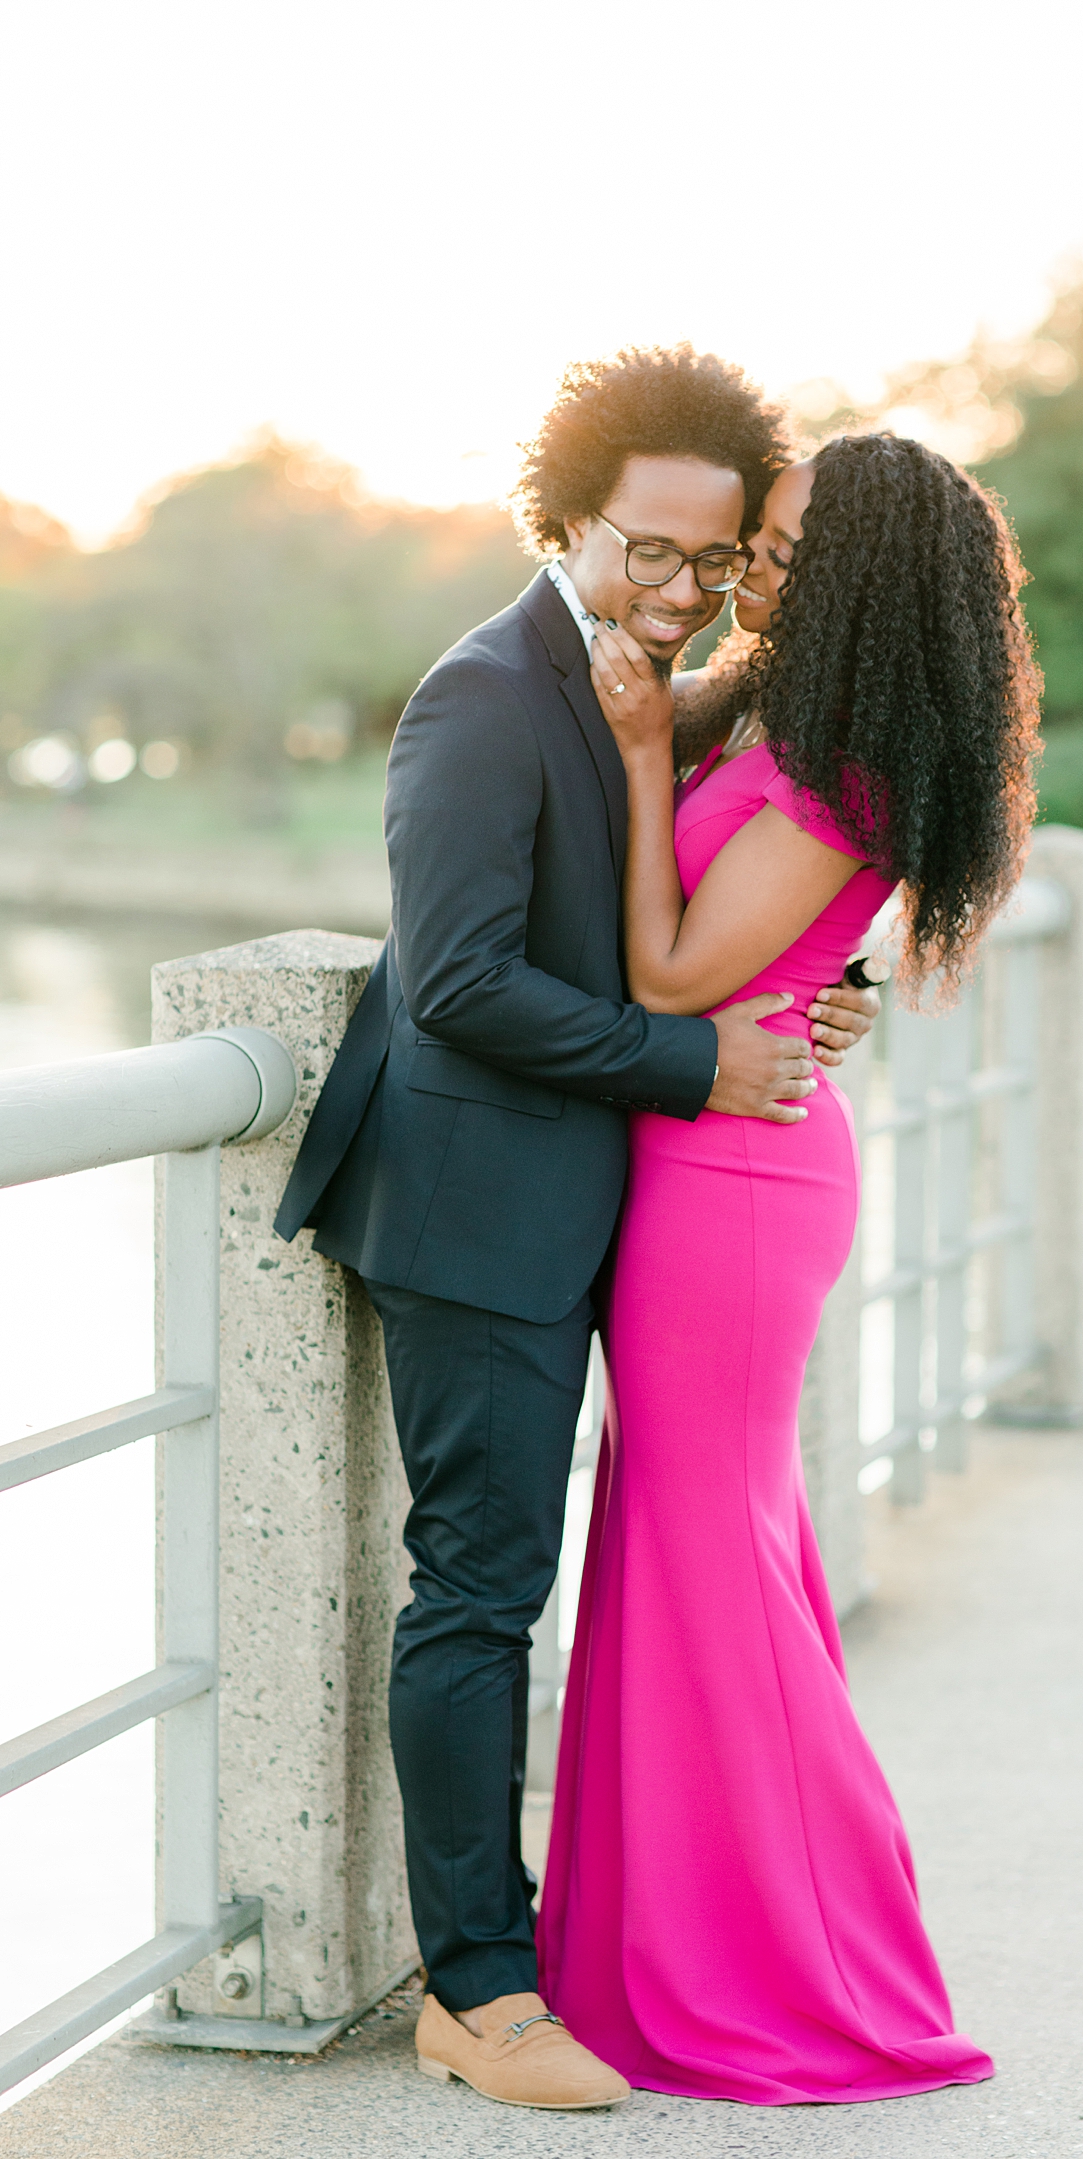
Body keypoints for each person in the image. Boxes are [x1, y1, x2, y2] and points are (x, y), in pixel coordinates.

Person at [271, 348, 878, 2110]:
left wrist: (809, 996)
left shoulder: (644, 689)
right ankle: (475, 1993)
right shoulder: (485, 692)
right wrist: (699, 1060)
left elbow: (669, 904)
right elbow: (457, 986)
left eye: (716, 562)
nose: (684, 594)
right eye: (649, 553)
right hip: (473, 1203)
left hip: (604, 1197)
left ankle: (572, 1946)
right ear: (565, 519)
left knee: (544, 1579)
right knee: (480, 1587)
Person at [536, 432, 1042, 2103]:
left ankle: (812, 1967)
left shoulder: (849, 773)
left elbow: (669, 969)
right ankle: (662, 1945)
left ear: (869, 574)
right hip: (707, 1153)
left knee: (717, 1567)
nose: (754, 557)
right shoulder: (783, 718)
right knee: (686, 1551)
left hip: (737, 1179)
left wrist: (624, 757)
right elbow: (744, 949)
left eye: (785, 541)